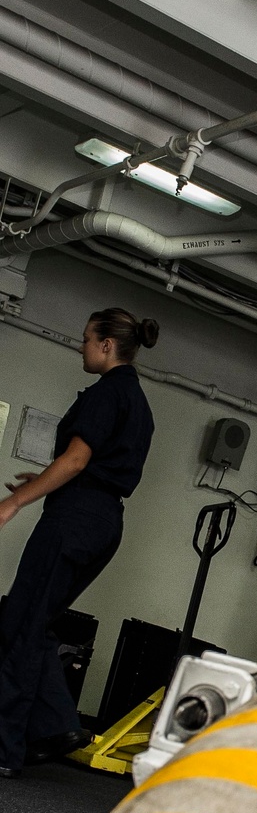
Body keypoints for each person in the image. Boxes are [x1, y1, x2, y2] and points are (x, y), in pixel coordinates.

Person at [0, 307, 157, 776]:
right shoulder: (139, 402)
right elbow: (92, 469)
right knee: (36, 622)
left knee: (18, 626)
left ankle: (6, 750)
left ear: (107, 345)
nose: (81, 345)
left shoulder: (107, 393)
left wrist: (14, 503)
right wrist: (46, 480)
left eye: (87, 338)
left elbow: (75, 460)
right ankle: (59, 726)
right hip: (104, 521)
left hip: (75, 519)